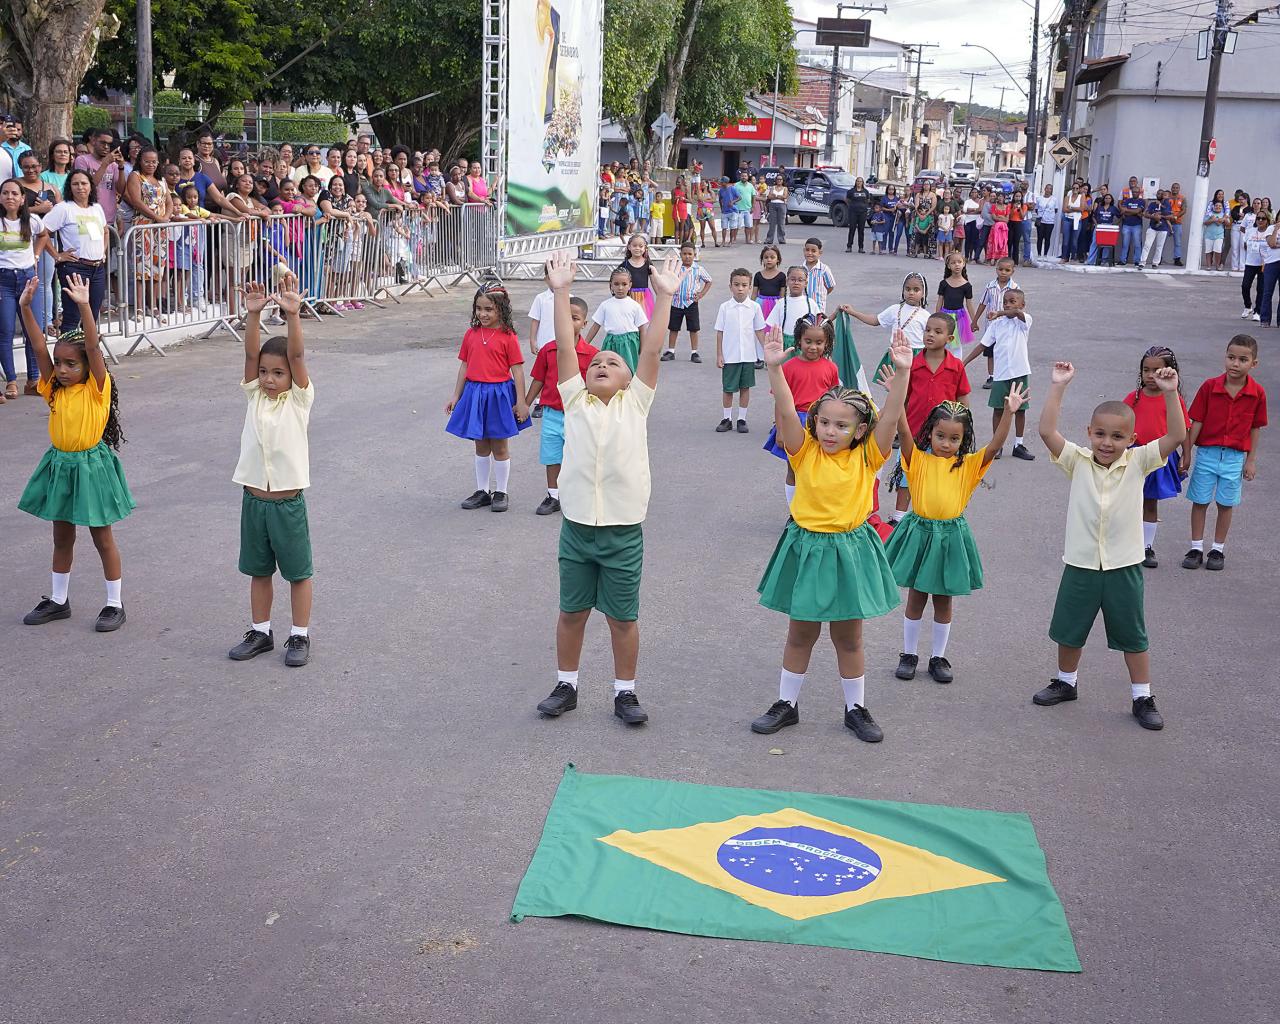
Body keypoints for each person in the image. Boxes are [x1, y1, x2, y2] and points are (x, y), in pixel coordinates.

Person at [533, 252, 679, 726]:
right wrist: (560, 292)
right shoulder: (574, 400)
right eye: (596, 361)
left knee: (622, 618)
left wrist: (663, 298)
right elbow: (566, 345)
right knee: (571, 613)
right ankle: (566, 685)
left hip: (622, 532)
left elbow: (651, 352)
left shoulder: (636, 404)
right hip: (577, 529)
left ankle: (625, 692)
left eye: (613, 362)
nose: (601, 363)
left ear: (628, 378)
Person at [748, 328, 912, 743]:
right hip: (807, 548)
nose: (830, 431)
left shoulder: (869, 456)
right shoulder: (803, 450)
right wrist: (774, 369)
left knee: (848, 637)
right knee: (800, 633)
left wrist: (903, 374)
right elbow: (788, 412)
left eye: (841, 425)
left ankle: (856, 708)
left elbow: (891, 417)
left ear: (859, 429)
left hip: (848, 550)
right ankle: (786, 704)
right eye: (823, 422)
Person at [1033, 360, 1186, 732]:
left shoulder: (1139, 461)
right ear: (1089, 433)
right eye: (1100, 434)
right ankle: (1066, 682)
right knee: (1069, 629)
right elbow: (1047, 430)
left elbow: (1176, 435)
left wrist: (1170, 393)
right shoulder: (1078, 461)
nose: (1107, 443)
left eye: (1117, 437)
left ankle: (1142, 696)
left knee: (1133, 635)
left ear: (1132, 439)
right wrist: (1058, 385)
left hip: (1123, 566)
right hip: (1081, 564)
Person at [885, 383, 1024, 685]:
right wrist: (897, 395)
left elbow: (994, 445)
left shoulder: (969, 466)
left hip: (950, 537)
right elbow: (904, 432)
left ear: (964, 439)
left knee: (944, 599)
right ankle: (909, 654)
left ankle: (938, 657)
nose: (946, 443)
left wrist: (1009, 413)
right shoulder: (917, 459)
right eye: (940, 436)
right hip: (920, 533)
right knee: (916, 596)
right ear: (930, 434)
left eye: (954, 438)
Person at [16, 275, 133, 632]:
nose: (63, 370)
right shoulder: (53, 389)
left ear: (87, 366)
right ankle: (58, 600)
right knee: (62, 537)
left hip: (91, 467)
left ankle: (114, 604)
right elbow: (39, 348)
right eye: (59, 363)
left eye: (71, 364)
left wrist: (84, 307)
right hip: (61, 465)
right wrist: (25, 307)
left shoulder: (97, 388)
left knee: (102, 537)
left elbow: (93, 348)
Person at [224, 275, 315, 667]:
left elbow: (297, 355)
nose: (268, 379)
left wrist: (292, 315)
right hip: (254, 502)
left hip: (286, 505)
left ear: (292, 377)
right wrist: (253, 316)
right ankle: (260, 631)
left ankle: (299, 636)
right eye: (264, 372)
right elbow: (249, 355)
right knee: (258, 571)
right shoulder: (255, 396)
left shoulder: (298, 400)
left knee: (298, 574)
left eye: (278, 373)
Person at [1181, 335, 1266, 572]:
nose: (1235, 364)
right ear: (1225, 357)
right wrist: (1186, 454)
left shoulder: (1257, 393)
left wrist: (1251, 460)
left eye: (1242, 360)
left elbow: (1255, 427)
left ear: (1253, 364)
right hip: (1207, 454)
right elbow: (1196, 421)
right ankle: (1196, 548)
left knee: (1225, 504)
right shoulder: (1210, 387)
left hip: (1234, 458)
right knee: (1200, 501)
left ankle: (1217, 549)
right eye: (1231, 357)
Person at [446, 284, 530, 512]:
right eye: (478, 308)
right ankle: (482, 491)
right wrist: (456, 395)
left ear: (501, 310)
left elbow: (518, 371)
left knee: (500, 445)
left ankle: (501, 491)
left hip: (498, 396)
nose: (482, 314)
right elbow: (465, 366)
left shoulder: (508, 337)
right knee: (481, 444)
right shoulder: (471, 334)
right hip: (475, 394)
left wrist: (521, 401)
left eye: (489, 309)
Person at [886, 311, 972, 525]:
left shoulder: (956, 366)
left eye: (937, 331)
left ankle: (935, 512)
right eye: (927, 330)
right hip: (914, 431)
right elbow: (904, 398)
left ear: (949, 338)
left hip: (944, 435)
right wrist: (898, 425)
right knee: (906, 473)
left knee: (939, 474)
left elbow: (962, 397)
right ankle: (899, 516)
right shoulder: (912, 364)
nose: (930, 334)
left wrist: (963, 428)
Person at [525, 295, 598, 516]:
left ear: (584, 323)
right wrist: (525, 404)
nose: (569, 323)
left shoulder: (593, 354)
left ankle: (581, 496)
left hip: (580, 415)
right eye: (565, 318)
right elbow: (538, 379)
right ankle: (553, 496)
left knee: (581, 457)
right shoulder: (548, 350)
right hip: (552, 414)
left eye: (575, 318)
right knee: (552, 456)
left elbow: (598, 386)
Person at [1122, 346, 1191, 570]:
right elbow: (1119, 423)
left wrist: (1187, 454)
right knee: (1128, 501)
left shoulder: (1173, 398)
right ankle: (1126, 544)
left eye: (1156, 371)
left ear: (1169, 371)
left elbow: (1184, 429)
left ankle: (1146, 547)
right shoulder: (1134, 398)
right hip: (1134, 457)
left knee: (1150, 502)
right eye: (1146, 370)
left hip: (1159, 457)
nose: (1150, 375)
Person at [762, 317, 839, 504]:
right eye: (808, 341)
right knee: (794, 469)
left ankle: (815, 507)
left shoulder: (831, 368)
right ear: (799, 340)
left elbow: (834, 401)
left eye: (819, 342)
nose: (813, 347)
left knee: (819, 468)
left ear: (827, 343)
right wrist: (780, 430)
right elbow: (780, 403)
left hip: (820, 425)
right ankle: (794, 511)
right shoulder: (788, 367)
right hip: (794, 423)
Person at [965, 287, 1034, 460]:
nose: (1008, 305)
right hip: (1001, 373)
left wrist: (1000, 312)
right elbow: (983, 345)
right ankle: (998, 445)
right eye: (1005, 302)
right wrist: (964, 362)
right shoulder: (997, 325)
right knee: (998, 409)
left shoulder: (1024, 321)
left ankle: (1018, 444)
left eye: (1012, 301)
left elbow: (1016, 313)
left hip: (1019, 372)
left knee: (1020, 410)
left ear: (1022, 305)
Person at [0, 179, 52, 401]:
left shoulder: (32, 220)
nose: (9, 197)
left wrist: (36, 256)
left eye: (14, 193)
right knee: (5, 332)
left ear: (23, 199)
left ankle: (33, 380)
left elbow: (44, 235)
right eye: (5, 193)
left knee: (34, 330)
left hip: (28, 280)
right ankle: (11, 380)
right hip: (3, 280)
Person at [43, 169, 110, 333]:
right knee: (72, 317)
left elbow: (105, 231)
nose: (80, 187)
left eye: (84, 183)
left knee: (91, 316)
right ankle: (66, 349)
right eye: (75, 184)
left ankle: (87, 349)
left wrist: (102, 252)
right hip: (75, 267)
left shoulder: (96, 208)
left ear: (90, 186)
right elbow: (42, 232)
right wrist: (57, 255)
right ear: (70, 187)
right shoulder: (64, 208)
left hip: (97, 269)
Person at [714, 268, 766, 433]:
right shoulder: (725, 307)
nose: (740, 289)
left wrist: (766, 350)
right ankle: (726, 418)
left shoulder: (755, 307)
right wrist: (719, 354)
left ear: (750, 287)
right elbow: (720, 331)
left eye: (744, 285)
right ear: (730, 286)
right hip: (730, 355)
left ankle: (741, 419)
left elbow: (759, 330)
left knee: (745, 387)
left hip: (748, 356)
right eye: (736, 285)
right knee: (728, 388)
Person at [838, 271, 930, 354]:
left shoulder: (925, 316)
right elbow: (875, 320)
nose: (911, 293)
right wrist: (853, 312)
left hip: (917, 356)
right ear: (903, 291)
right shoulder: (895, 309)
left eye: (916, 290)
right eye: (908, 289)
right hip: (895, 354)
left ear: (923, 293)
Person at [971, 257, 1019, 389]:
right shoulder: (990, 286)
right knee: (990, 352)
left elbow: (1018, 308)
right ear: (996, 269)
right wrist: (975, 320)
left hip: (1007, 328)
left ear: (1012, 271)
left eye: (1007, 270)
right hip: (991, 327)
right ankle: (991, 376)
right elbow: (983, 303)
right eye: (1000, 269)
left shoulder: (1015, 288)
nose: (1003, 272)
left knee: (1005, 352)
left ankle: (1005, 376)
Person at [664, 241, 712, 362]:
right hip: (676, 302)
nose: (687, 256)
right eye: (684, 254)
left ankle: (694, 352)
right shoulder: (676, 268)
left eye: (690, 254)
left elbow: (709, 281)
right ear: (680, 254)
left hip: (691, 303)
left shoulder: (698, 269)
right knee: (673, 327)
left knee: (693, 328)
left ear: (694, 255)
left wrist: (701, 294)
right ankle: (671, 351)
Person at [765, 266, 820, 348]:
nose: (796, 283)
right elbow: (772, 326)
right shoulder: (781, 303)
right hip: (785, 344)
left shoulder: (811, 303)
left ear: (806, 283)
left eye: (800, 280)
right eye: (793, 279)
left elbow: (819, 324)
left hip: (806, 345)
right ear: (787, 281)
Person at [751, 244, 785, 367]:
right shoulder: (758, 275)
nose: (769, 260)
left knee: (772, 331)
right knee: (759, 330)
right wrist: (751, 306)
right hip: (760, 304)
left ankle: (771, 357)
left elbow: (782, 294)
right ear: (762, 259)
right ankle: (759, 357)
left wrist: (781, 308)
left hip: (775, 305)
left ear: (778, 259)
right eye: (766, 257)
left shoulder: (781, 276)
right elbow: (754, 292)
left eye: (772, 257)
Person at [935, 252, 974, 357]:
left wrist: (974, 321)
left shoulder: (967, 285)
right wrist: (936, 317)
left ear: (964, 264)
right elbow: (940, 301)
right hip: (945, 316)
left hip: (959, 317)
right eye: (953, 263)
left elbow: (969, 304)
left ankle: (957, 364)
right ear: (948, 266)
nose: (957, 265)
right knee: (944, 341)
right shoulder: (944, 283)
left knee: (956, 344)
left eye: (959, 262)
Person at [1239, 209, 1270, 320]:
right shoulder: (1250, 231)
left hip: (1263, 264)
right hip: (1250, 262)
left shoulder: (1269, 232)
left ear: (1267, 220)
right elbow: (1245, 244)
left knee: (1261, 288)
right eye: (1258, 218)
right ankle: (1248, 306)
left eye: (1263, 218)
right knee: (1245, 286)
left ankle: (1258, 311)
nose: (1260, 220)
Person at [619, 234, 655, 320]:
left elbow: (654, 283)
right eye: (634, 245)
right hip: (628, 297)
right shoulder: (624, 265)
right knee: (629, 320)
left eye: (641, 246)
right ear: (629, 247)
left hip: (644, 298)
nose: (637, 248)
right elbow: (617, 282)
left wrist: (661, 296)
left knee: (643, 321)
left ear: (645, 248)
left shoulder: (648, 264)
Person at [1139, 189, 1172, 269]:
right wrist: (1153, 216)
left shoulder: (1167, 204)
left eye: (1161, 194)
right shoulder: (1152, 204)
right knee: (1147, 245)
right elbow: (1145, 214)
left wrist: (1161, 216)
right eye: (1158, 193)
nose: (1159, 195)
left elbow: (1170, 216)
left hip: (1163, 228)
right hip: (1152, 228)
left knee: (1159, 247)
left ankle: (1155, 263)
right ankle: (1142, 262)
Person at [1257, 215, 1280, 327]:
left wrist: (1277, 245)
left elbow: (1275, 245)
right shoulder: (1271, 228)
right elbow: (1271, 244)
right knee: (1267, 292)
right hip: (1271, 263)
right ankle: (1265, 319)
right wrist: (1276, 229)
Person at [802, 237, 834, 314]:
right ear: (804, 250)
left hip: (818, 309)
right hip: (803, 307)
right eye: (807, 250)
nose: (810, 253)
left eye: (813, 251)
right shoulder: (800, 269)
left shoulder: (824, 269)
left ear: (820, 252)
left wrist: (822, 295)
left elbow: (830, 287)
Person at [844, 177, 872, 253]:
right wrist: (851, 206)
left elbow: (868, 200)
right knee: (852, 229)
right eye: (858, 181)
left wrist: (864, 206)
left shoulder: (865, 191)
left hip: (862, 213)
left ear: (863, 183)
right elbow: (847, 200)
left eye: (860, 181)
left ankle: (861, 247)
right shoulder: (851, 191)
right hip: (853, 212)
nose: (859, 183)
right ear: (856, 182)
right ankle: (849, 246)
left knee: (861, 230)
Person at [1202, 198, 1229, 271]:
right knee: (1208, 251)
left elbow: (1227, 224)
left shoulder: (1224, 215)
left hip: (1219, 235)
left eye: (1220, 206)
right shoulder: (1209, 214)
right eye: (1216, 205)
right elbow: (1205, 222)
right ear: (1213, 206)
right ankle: (1208, 266)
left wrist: (1224, 220)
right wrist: (1213, 220)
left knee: (1218, 251)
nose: (1218, 207)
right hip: (1209, 235)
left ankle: (1217, 266)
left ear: (1222, 207)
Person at [1033, 184, 1059, 259]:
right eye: (1047, 188)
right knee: (1040, 238)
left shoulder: (1054, 199)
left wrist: (1049, 215)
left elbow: (1056, 210)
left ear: (1051, 190)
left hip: (1050, 222)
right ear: (1045, 189)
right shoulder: (1039, 199)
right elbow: (1036, 209)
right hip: (1041, 221)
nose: (1048, 190)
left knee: (1047, 238)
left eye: (1050, 189)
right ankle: (1039, 254)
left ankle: (1045, 254)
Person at [764, 175, 788, 245]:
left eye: (780, 179)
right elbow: (769, 196)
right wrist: (779, 197)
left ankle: (781, 239)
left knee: (781, 223)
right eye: (778, 179)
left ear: (783, 180)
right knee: (772, 223)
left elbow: (785, 196)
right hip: (773, 205)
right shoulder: (773, 187)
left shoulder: (785, 188)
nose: (779, 180)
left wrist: (775, 196)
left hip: (782, 205)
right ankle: (769, 239)